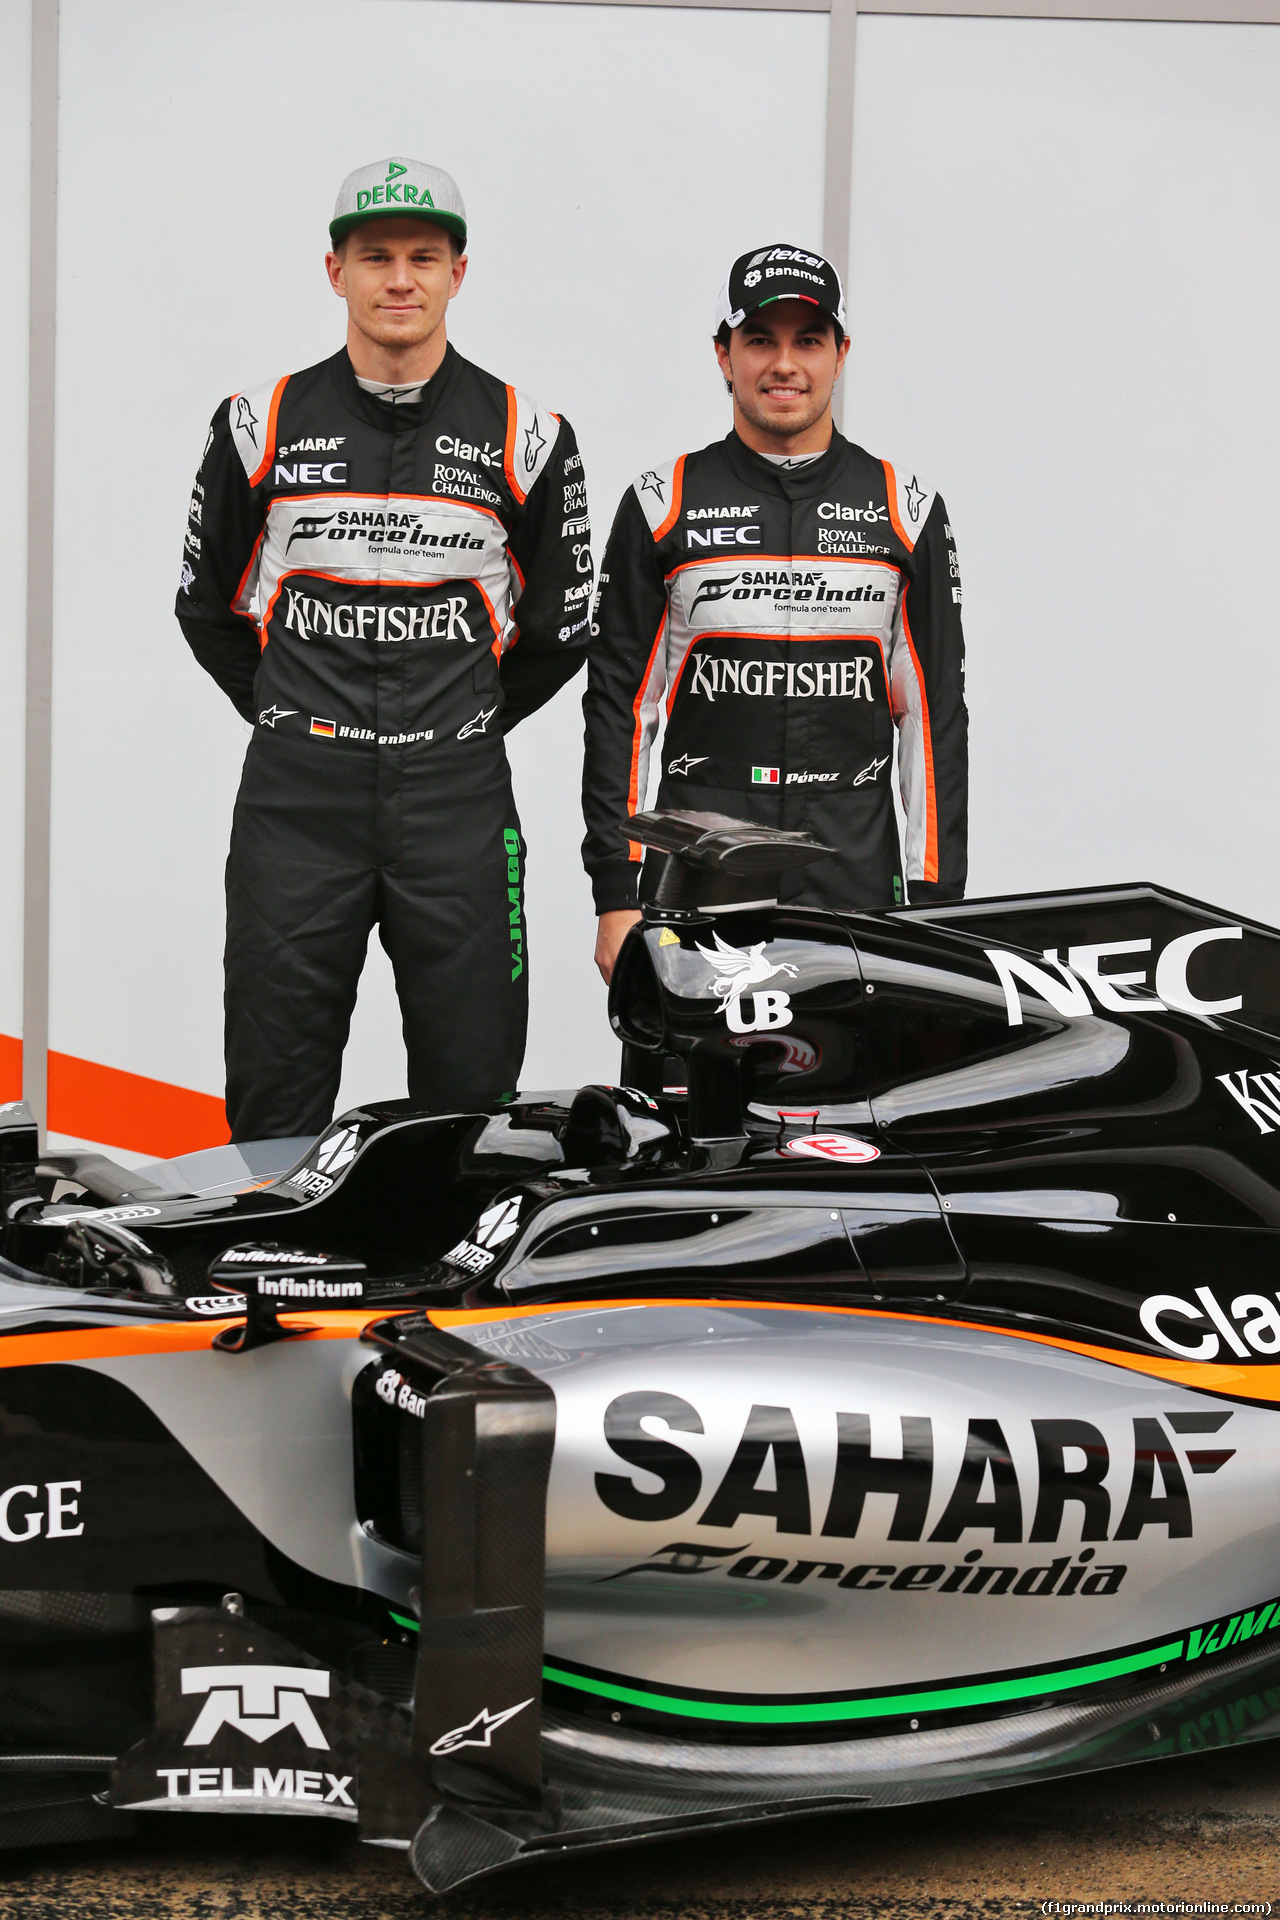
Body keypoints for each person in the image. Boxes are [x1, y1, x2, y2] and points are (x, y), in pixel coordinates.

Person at [177, 157, 590, 1139]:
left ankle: (453, 1286)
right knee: (273, 1082)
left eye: (421, 256)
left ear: (457, 273)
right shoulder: (256, 424)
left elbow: (559, 631)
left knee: (471, 1088)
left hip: (454, 804)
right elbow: (206, 608)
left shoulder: (529, 436)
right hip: (297, 801)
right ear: (335, 274)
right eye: (375, 258)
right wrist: (295, 708)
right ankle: (268, 1280)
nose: (398, 279)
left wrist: (449, 719)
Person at [582, 243, 967, 985]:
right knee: (684, 1092)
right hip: (699, 856)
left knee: (856, 1094)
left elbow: (933, 719)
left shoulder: (907, 510)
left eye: (808, 341)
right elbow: (620, 709)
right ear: (724, 355)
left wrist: (937, 904)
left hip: (852, 860)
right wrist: (614, 890)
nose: (783, 364)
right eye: (760, 340)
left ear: (840, 353)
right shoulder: (661, 503)